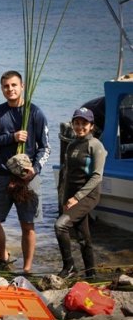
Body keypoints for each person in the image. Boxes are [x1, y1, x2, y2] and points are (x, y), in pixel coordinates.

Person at [0, 70, 50, 274]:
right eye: (6, 86)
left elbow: (45, 148)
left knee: (27, 224)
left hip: (27, 178)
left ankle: (27, 269)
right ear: (2, 89)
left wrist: (34, 170)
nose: (10, 89)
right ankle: (4, 258)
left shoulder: (35, 113)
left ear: (22, 86)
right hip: (0, 174)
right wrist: (11, 137)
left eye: (13, 85)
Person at [54, 107, 106, 278]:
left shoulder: (95, 145)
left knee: (60, 226)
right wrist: (64, 197)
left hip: (88, 195)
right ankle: (91, 273)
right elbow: (67, 174)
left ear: (91, 125)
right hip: (72, 196)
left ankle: (69, 267)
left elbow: (97, 177)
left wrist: (76, 198)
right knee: (83, 236)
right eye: (77, 123)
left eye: (84, 123)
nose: (80, 126)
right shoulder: (71, 144)